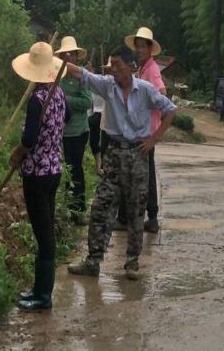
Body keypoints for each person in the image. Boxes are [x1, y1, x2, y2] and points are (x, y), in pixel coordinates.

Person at [66, 45, 177, 281]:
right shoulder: (108, 86)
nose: (113, 69)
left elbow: (170, 110)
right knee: (101, 206)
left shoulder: (146, 90)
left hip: (137, 155)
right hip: (114, 152)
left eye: (117, 64)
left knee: (136, 208)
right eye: (111, 64)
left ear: (130, 67)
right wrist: (58, 63)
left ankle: (132, 262)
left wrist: (153, 139)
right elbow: (83, 75)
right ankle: (93, 260)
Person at [9, 42, 68, 311]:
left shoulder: (37, 100)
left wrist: (17, 152)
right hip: (54, 168)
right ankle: (39, 289)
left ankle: (43, 296)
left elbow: (29, 139)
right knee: (44, 231)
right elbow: (63, 123)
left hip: (36, 174)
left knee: (43, 234)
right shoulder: (59, 95)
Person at [120, 26, 165, 233]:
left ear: (150, 49)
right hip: (142, 129)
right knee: (143, 173)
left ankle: (151, 216)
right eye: (137, 47)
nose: (139, 50)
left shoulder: (152, 70)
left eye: (142, 47)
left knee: (144, 173)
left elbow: (161, 94)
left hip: (147, 131)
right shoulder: (144, 68)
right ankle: (146, 216)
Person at [56, 36, 93, 224]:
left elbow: (88, 102)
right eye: (65, 54)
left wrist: (68, 100)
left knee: (76, 169)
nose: (68, 57)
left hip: (78, 132)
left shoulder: (81, 77)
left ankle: (79, 210)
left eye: (72, 54)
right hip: (61, 131)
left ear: (77, 57)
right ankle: (67, 207)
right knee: (64, 171)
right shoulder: (57, 75)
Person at [87, 56, 106, 175]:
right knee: (94, 141)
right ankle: (98, 165)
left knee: (104, 141)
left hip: (104, 115)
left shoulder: (105, 81)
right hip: (94, 114)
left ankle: (102, 165)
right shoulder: (90, 82)